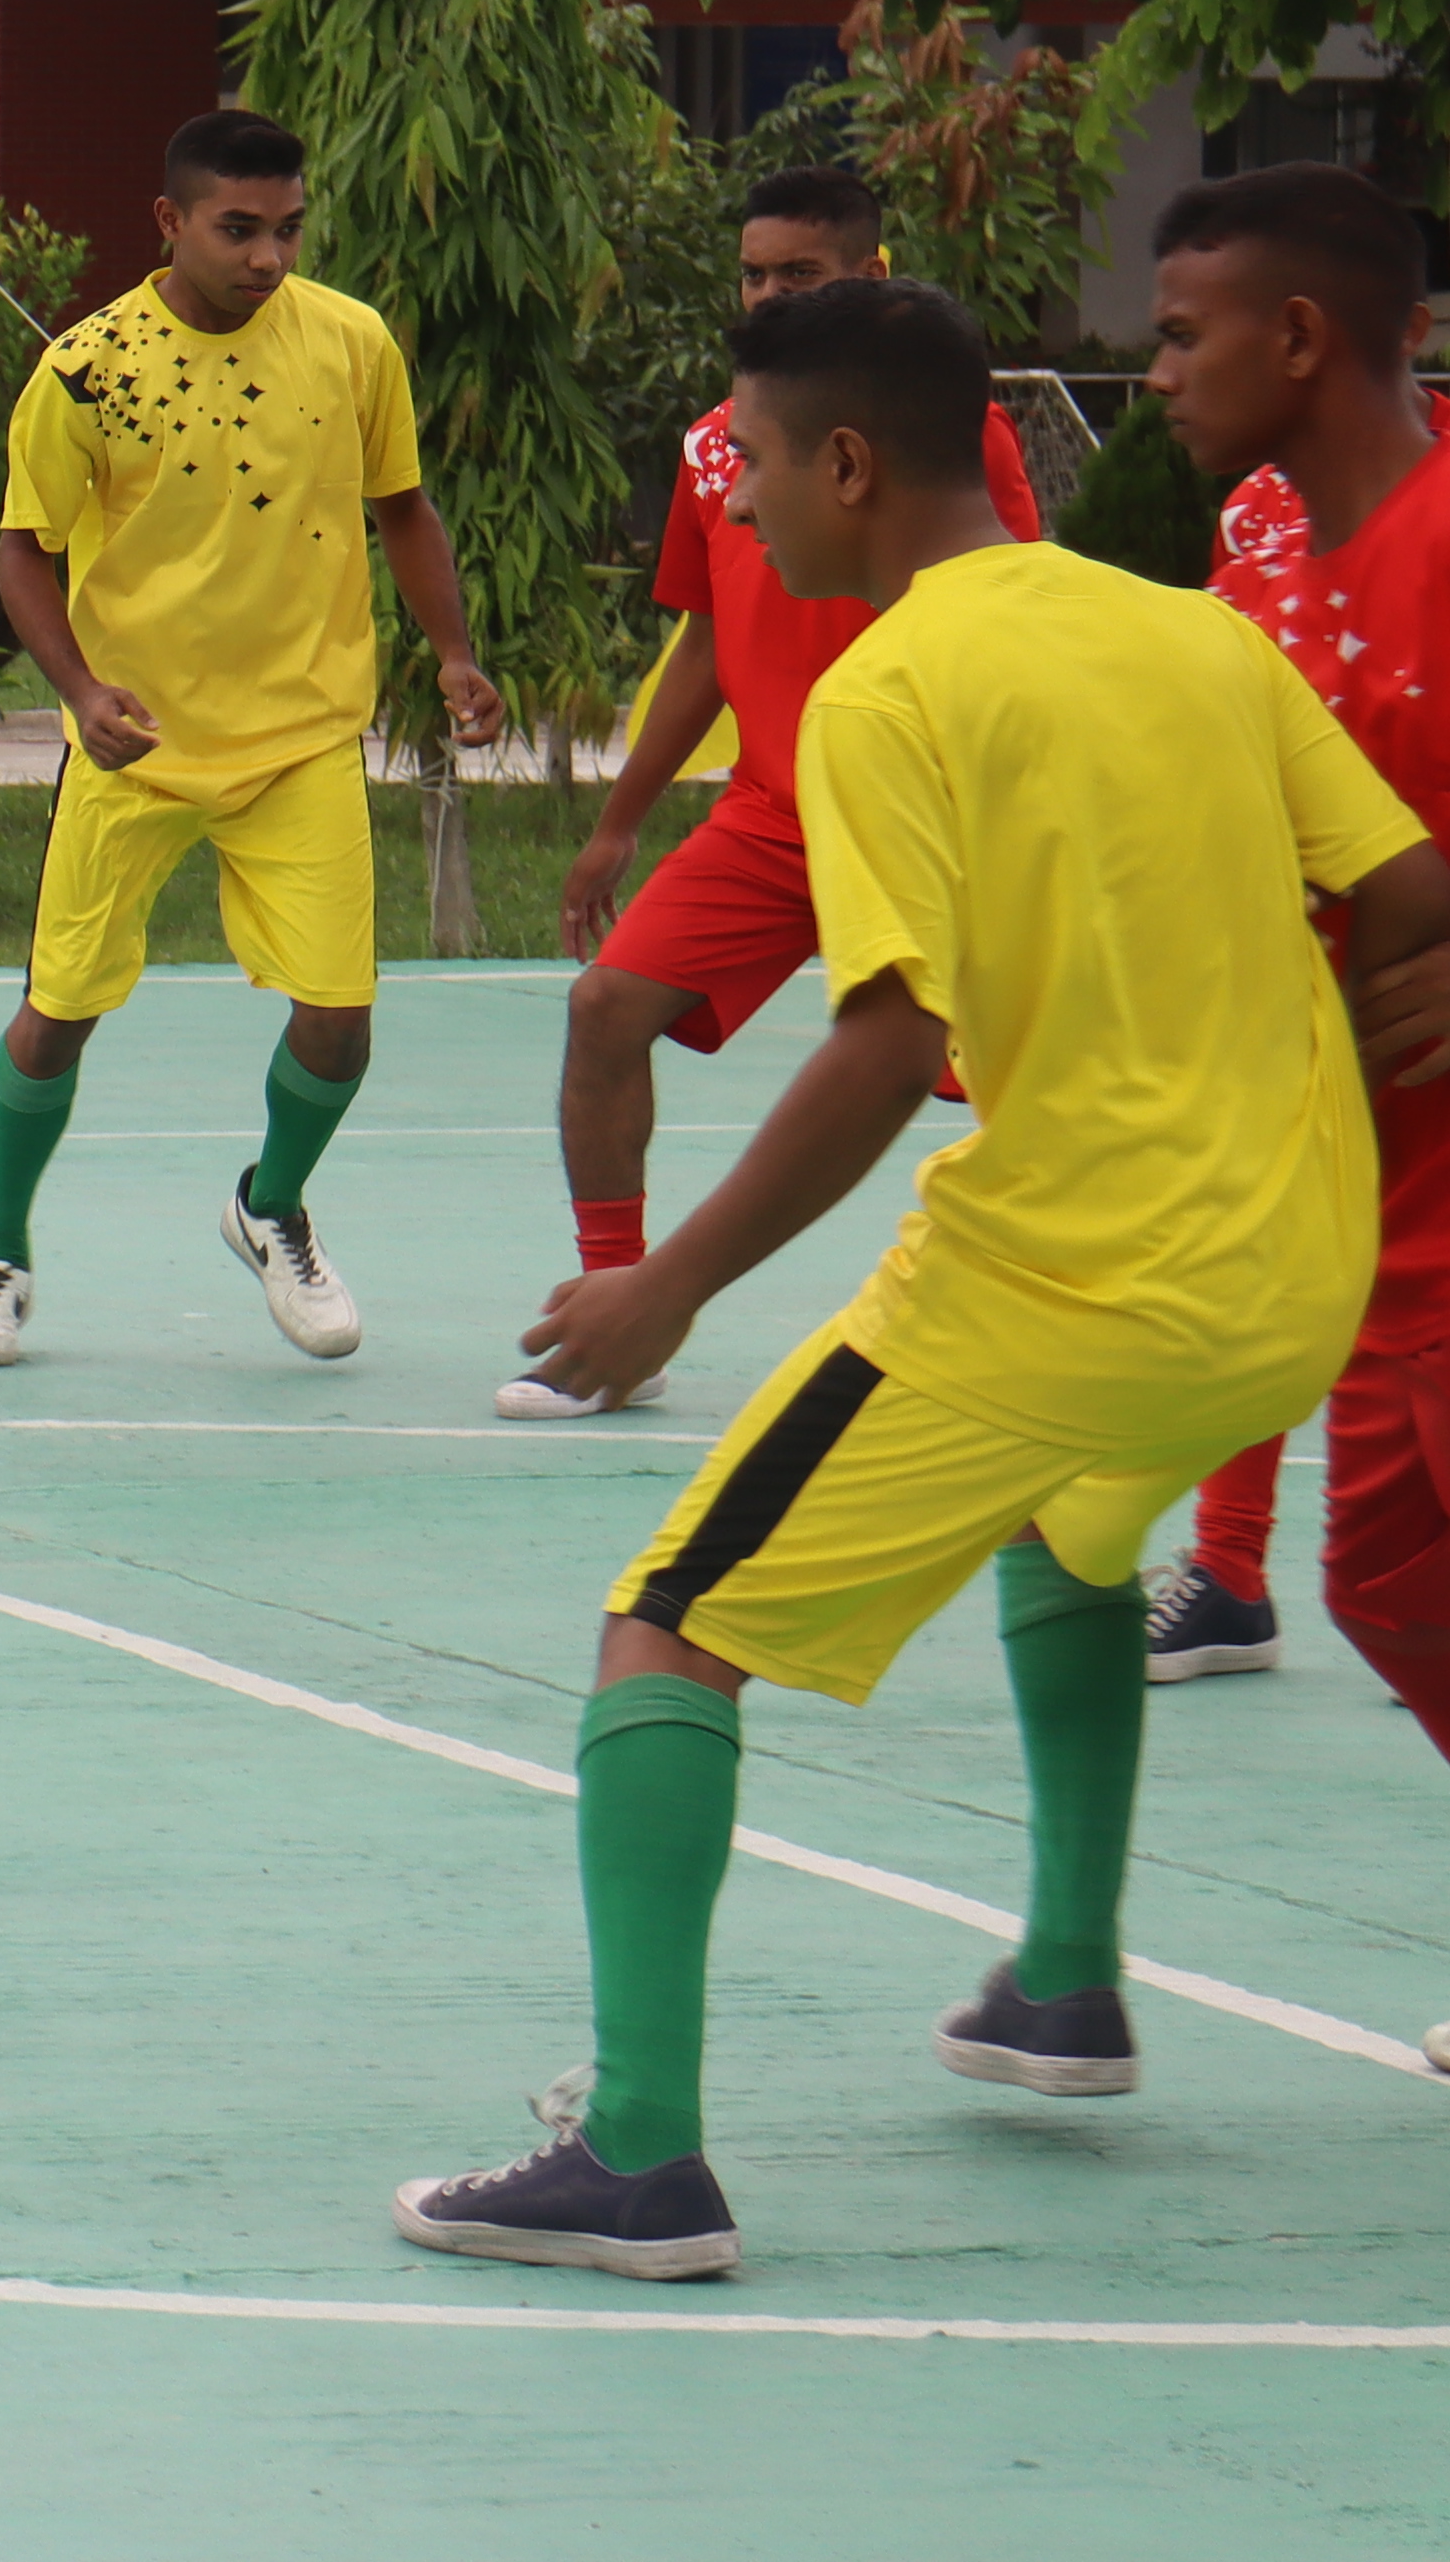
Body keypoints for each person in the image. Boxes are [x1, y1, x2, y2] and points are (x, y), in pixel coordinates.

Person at [394, 279, 1450, 2279]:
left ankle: (639, 2155)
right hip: (1284, 1281)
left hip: (1063, 1279)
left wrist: (667, 1286)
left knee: (670, 1624)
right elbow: (1408, 890)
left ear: (852, 463)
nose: (746, 500)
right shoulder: (1200, 635)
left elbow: (886, 1046)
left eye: (757, 463)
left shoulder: (887, 689)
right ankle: (1064, 1978)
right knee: (1072, 1529)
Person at [0, 109, 499, 1368]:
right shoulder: (86, 370)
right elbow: (24, 550)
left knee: (341, 1019)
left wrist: (453, 651)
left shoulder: (351, 344)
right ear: (170, 223)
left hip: (301, 738)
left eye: (288, 227)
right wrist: (80, 691)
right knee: (57, 1013)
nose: (267, 255)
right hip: (135, 745)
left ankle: (272, 1208)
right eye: (238, 229)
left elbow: (403, 509)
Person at [524, 167, 1045, 1421]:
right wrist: (617, 818)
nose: (763, 292)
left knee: (1016, 1081)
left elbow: (1014, 600)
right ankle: (618, 1320)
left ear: (870, 276)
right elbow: (702, 646)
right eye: (751, 271)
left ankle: (1036, 1335)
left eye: (794, 274)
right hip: (772, 814)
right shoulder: (725, 443)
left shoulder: (950, 433)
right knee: (603, 1008)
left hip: (932, 812)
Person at [1146, 167, 1450, 1723]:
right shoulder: (1272, 558)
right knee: (1385, 1580)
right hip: (1360, 1214)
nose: (1159, 372)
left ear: (1305, 337)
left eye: (1188, 335)